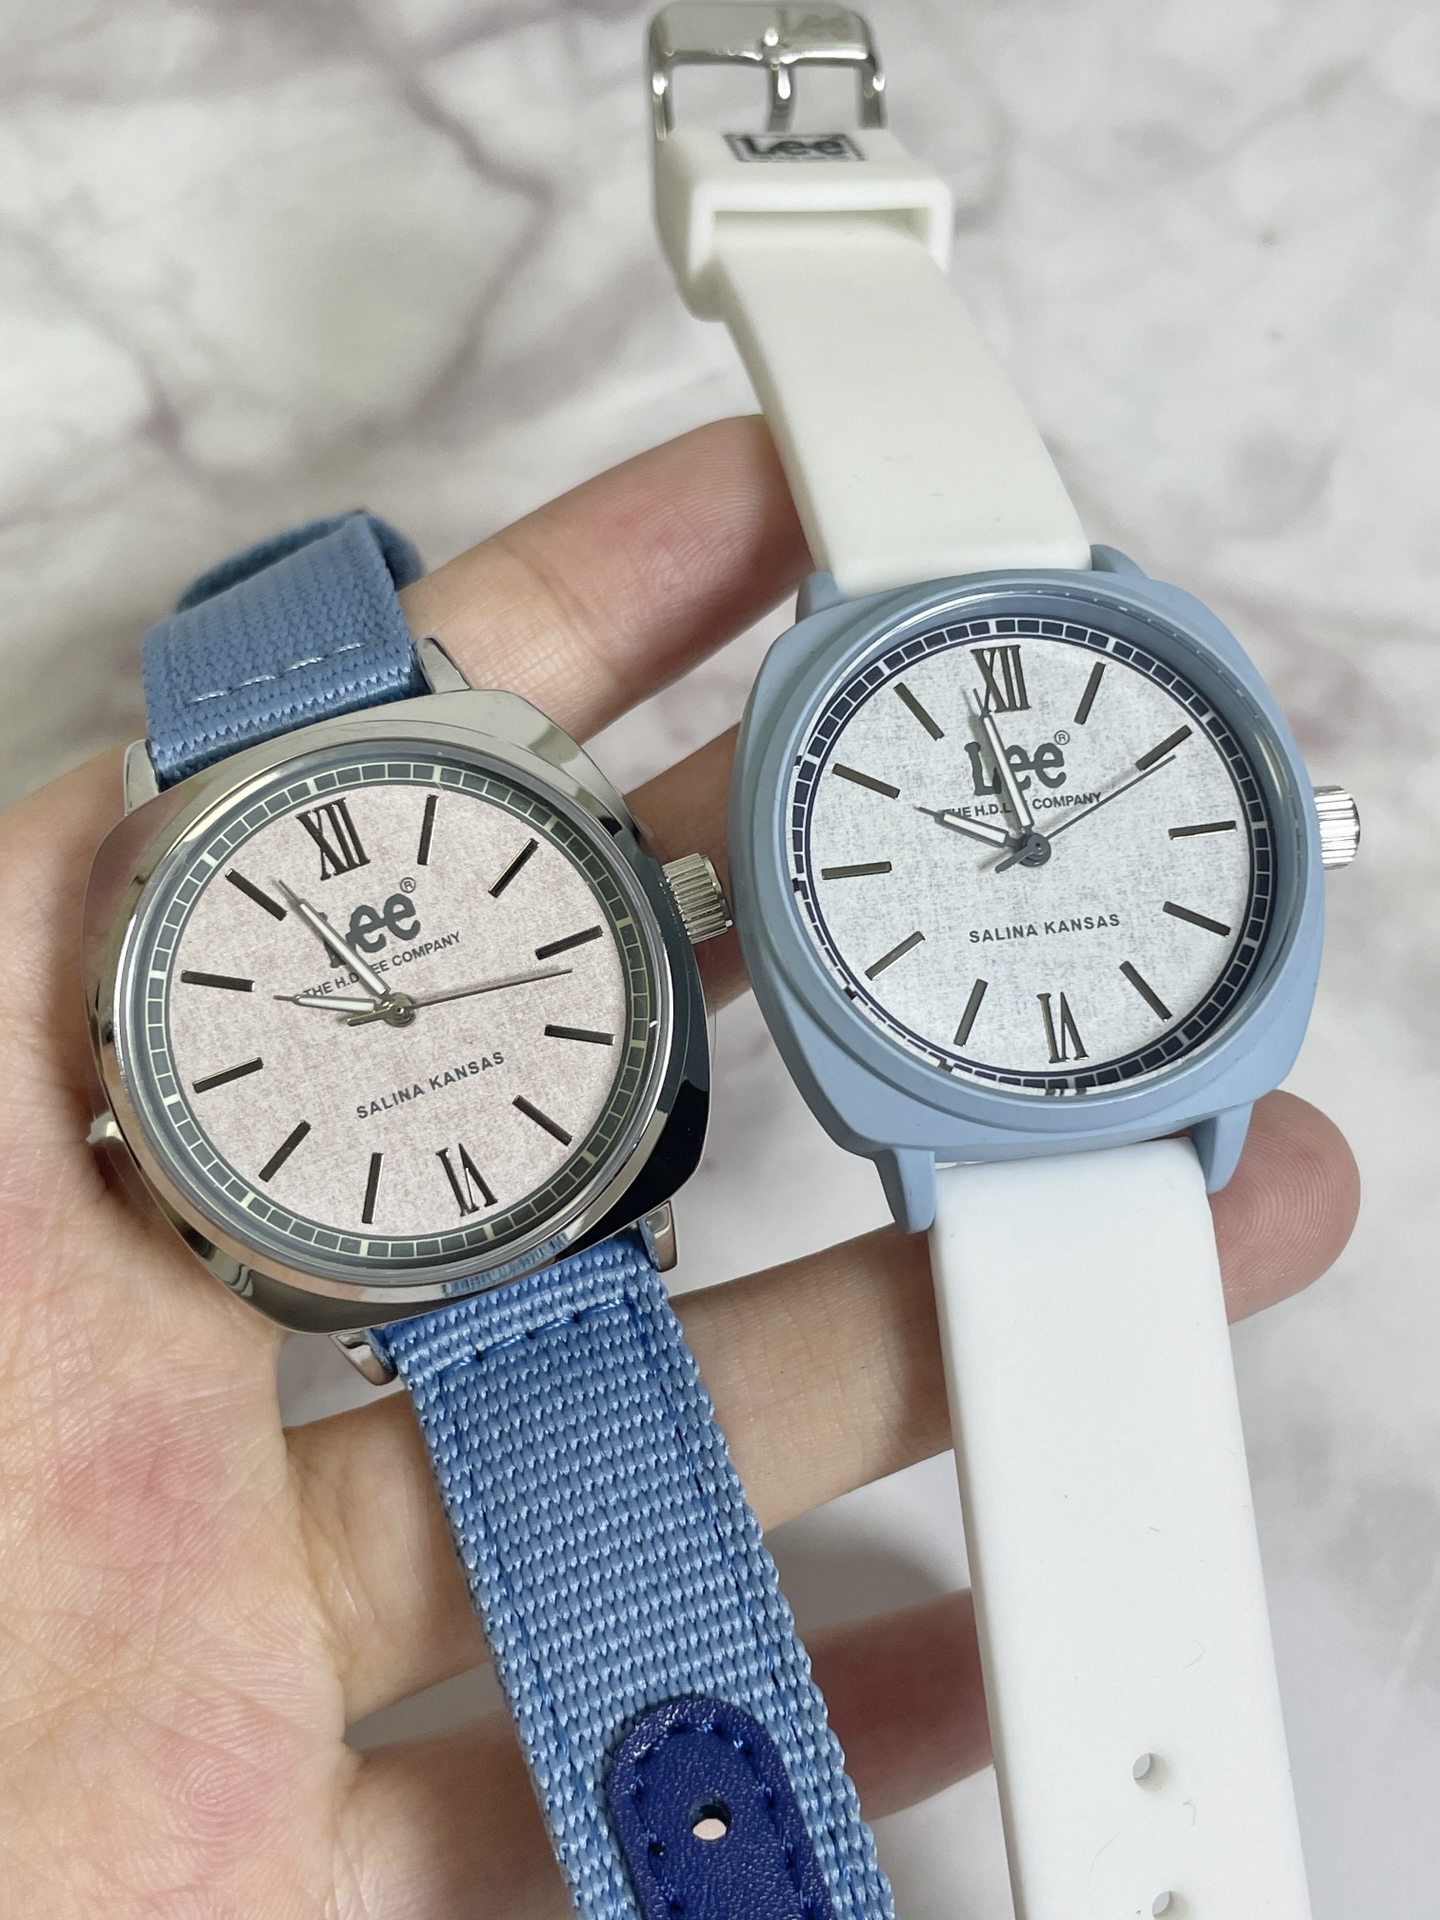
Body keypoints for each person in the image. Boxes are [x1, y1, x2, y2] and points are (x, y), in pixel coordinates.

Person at [0, 418, 1359, 1916]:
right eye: (375, 1009)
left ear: (672, 900)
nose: (398, 1013)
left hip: (566, 1233)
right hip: (474, 1281)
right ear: (132, 1116)